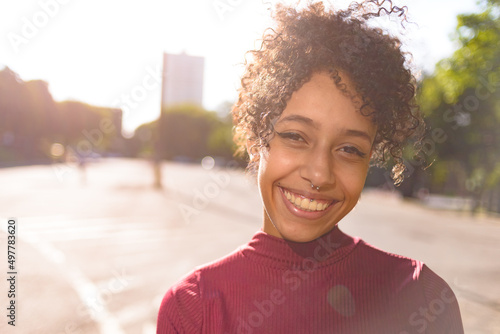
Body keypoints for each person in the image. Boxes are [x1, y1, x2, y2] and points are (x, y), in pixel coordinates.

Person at [156, 1, 464, 333]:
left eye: (349, 149)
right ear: (255, 139)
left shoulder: (424, 298)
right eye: (295, 136)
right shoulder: (194, 308)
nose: (319, 174)